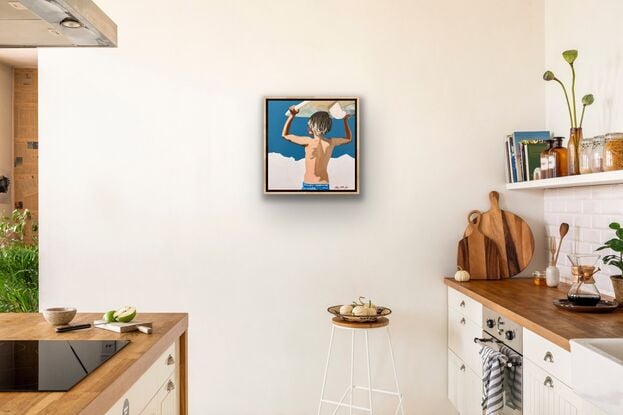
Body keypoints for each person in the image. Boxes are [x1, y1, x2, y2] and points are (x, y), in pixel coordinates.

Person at [281, 106, 352, 191]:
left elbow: (285, 135)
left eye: (309, 125)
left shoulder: (308, 141)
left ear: (314, 126)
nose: (308, 127)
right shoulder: (331, 142)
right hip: (324, 184)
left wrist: (291, 116)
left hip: (309, 184)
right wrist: (345, 121)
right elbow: (349, 138)